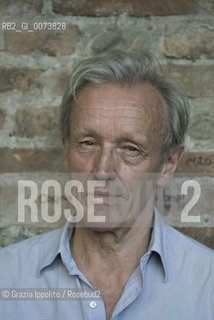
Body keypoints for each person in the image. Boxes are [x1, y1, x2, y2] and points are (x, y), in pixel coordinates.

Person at [0, 49, 213, 320]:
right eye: (88, 143)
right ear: (66, 153)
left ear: (168, 164)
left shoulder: (208, 285)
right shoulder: (6, 277)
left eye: (131, 149)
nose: (102, 171)